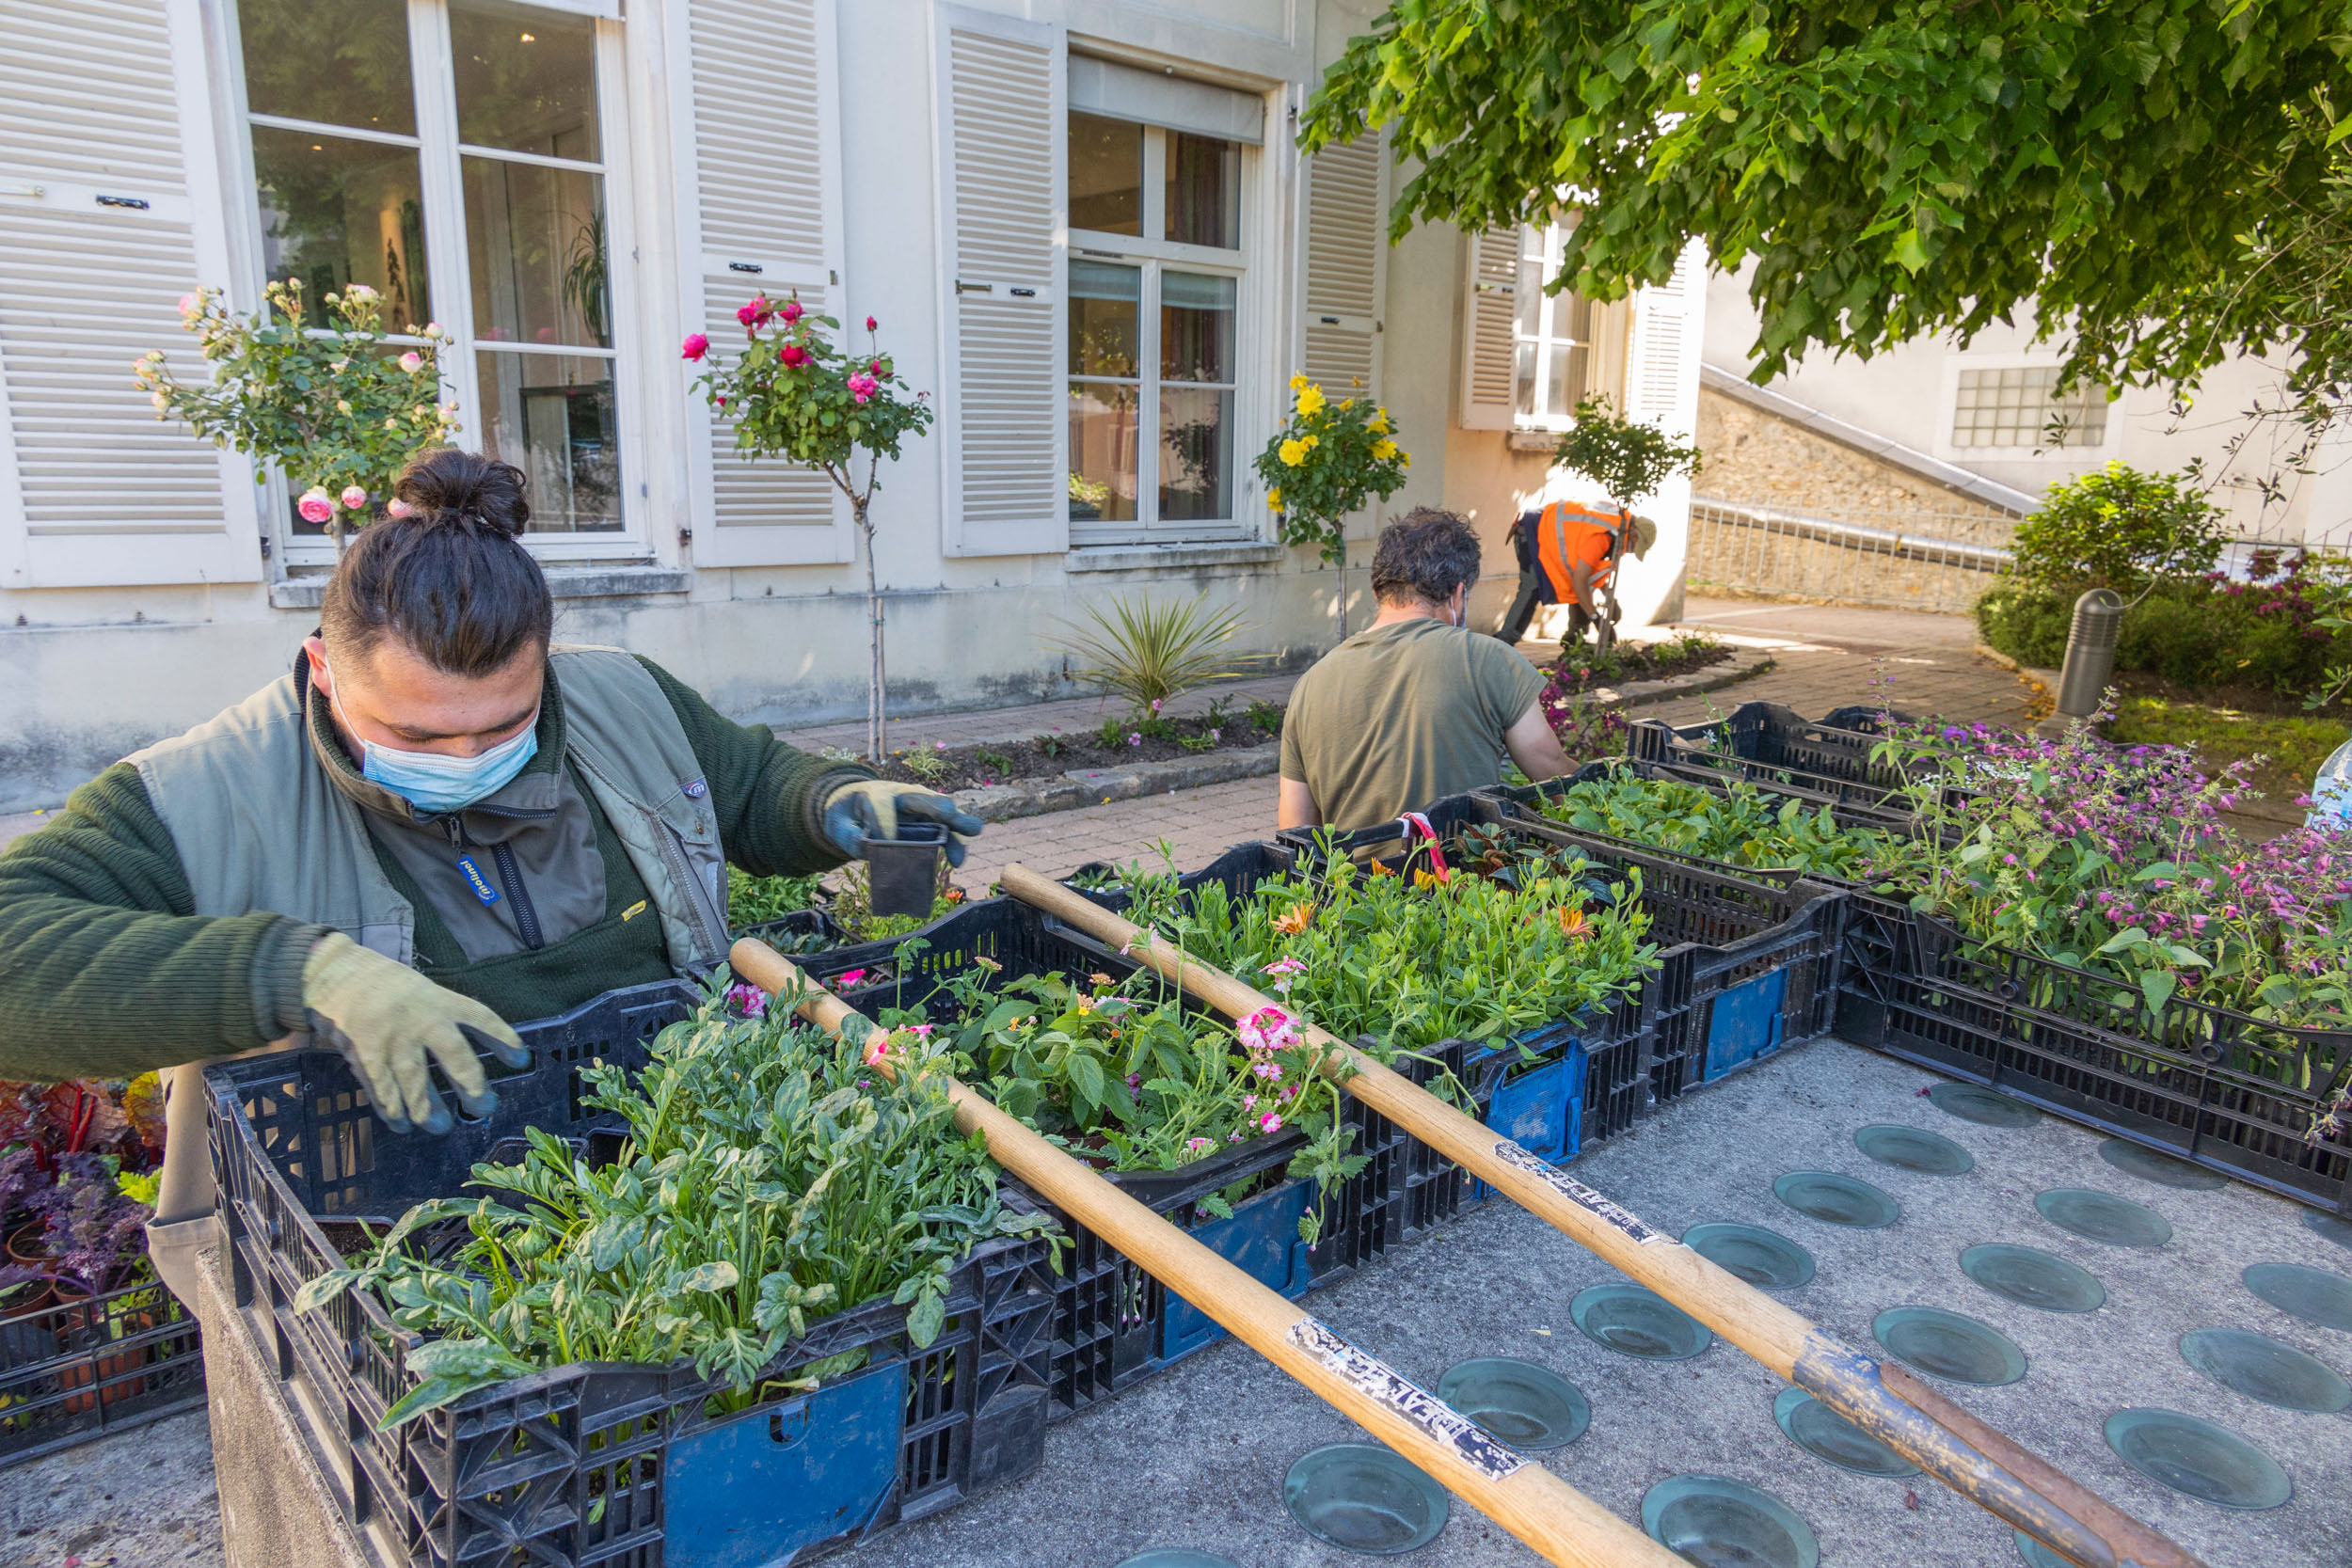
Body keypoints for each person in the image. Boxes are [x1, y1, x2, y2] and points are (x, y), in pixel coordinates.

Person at [0, 449, 979, 1235]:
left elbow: (749, 786)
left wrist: (832, 802)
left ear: (542, 662)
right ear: (324, 669)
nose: (468, 755)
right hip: (389, 1228)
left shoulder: (617, 695)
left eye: (503, 723)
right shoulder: (204, 791)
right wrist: (297, 970)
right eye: (418, 734)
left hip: (679, 1173)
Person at [1279, 507, 1573, 832]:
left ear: (1378, 592)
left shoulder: (1310, 684)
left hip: (1354, 881)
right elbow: (1554, 774)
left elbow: (1295, 829)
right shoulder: (1488, 660)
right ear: (1458, 595)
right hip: (1465, 880)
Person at [1494, 499, 1657, 649]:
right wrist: (1596, 619)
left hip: (1545, 533)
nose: (1633, 551)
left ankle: (1573, 639)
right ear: (1634, 533)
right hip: (1532, 532)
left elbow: (1591, 576)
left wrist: (1611, 600)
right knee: (1532, 588)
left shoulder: (1619, 529)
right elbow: (1580, 582)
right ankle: (1502, 645)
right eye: (1637, 545)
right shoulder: (1603, 536)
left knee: (1583, 590)